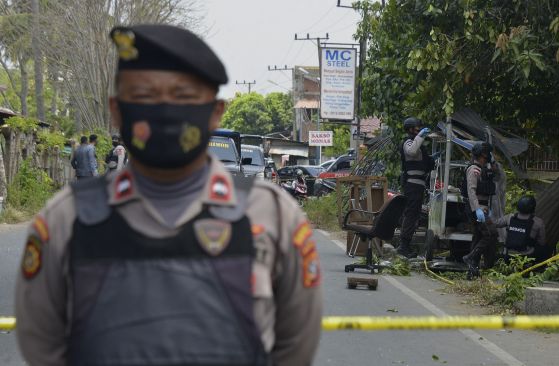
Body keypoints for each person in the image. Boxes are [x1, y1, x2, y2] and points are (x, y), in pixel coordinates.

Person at [16, 24, 322, 366]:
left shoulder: (273, 216)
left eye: (183, 97)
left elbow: (295, 348)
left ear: (215, 113)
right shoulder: (65, 220)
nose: (164, 111)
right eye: (145, 96)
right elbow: (41, 346)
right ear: (117, 110)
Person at [462, 141, 500, 278]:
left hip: (483, 207)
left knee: (478, 236)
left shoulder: (483, 169)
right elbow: (471, 191)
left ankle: (472, 270)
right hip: (477, 208)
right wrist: (477, 209)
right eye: (487, 154)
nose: (489, 156)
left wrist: (494, 163)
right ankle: (470, 257)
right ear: (482, 154)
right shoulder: (474, 169)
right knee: (491, 233)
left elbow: (497, 175)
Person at [397, 117, 434, 258]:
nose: (419, 130)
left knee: (414, 215)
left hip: (418, 185)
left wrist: (431, 159)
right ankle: (403, 246)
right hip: (412, 184)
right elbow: (412, 152)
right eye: (417, 128)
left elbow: (422, 160)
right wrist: (420, 136)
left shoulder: (418, 144)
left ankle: (406, 245)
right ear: (411, 129)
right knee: (411, 214)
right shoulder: (409, 142)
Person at [493, 195, 547, 263]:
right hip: (526, 257)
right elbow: (542, 242)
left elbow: (495, 224)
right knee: (544, 249)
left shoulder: (510, 217)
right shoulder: (538, 222)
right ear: (533, 208)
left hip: (509, 256)